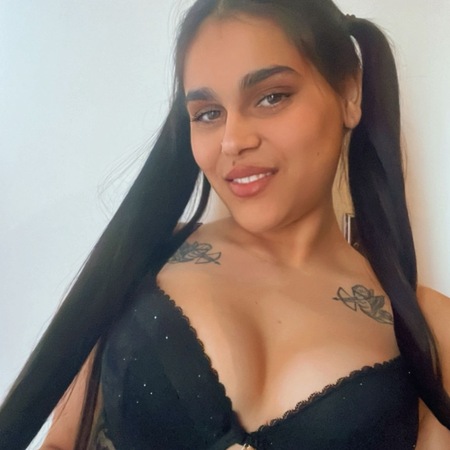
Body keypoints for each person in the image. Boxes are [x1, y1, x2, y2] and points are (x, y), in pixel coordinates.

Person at [1, 0, 449, 448]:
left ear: (350, 93)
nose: (233, 141)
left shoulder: (430, 328)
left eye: (272, 97)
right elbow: (61, 441)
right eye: (208, 113)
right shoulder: (143, 255)